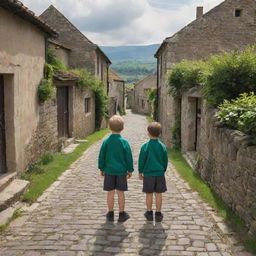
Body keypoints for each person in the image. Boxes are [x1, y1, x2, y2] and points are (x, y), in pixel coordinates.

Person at [98, 115, 134, 222]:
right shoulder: (124, 142)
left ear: (109, 127)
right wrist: (130, 169)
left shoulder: (106, 142)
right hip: (121, 172)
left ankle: (110, 213)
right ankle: (122, 213)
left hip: (109, 171)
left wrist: (102, 168)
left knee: (110, 193)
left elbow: (102, 156)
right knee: (120, 193)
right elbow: (129, 157)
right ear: (122, 128)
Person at [138, 122, 168, 222]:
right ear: (159, 133)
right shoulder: (162, 146)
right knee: (159, 194)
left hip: (148, 175)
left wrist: (140, 171)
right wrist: (163, 169)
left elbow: (141, 160)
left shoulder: (145, 147)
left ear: (148, 133)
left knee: (149, 194)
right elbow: (165, 160)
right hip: (159, 174)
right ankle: (158, 213)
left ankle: (149, 212)